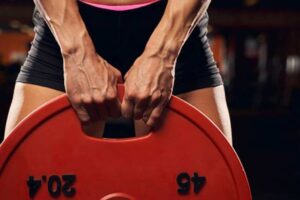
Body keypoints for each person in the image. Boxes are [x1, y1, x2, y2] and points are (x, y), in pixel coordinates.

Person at [4, 0, 232, 144]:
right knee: (23, 180)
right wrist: (76, 52)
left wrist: (163, 53)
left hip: (176, 25)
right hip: (63, 28)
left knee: (211, 183)